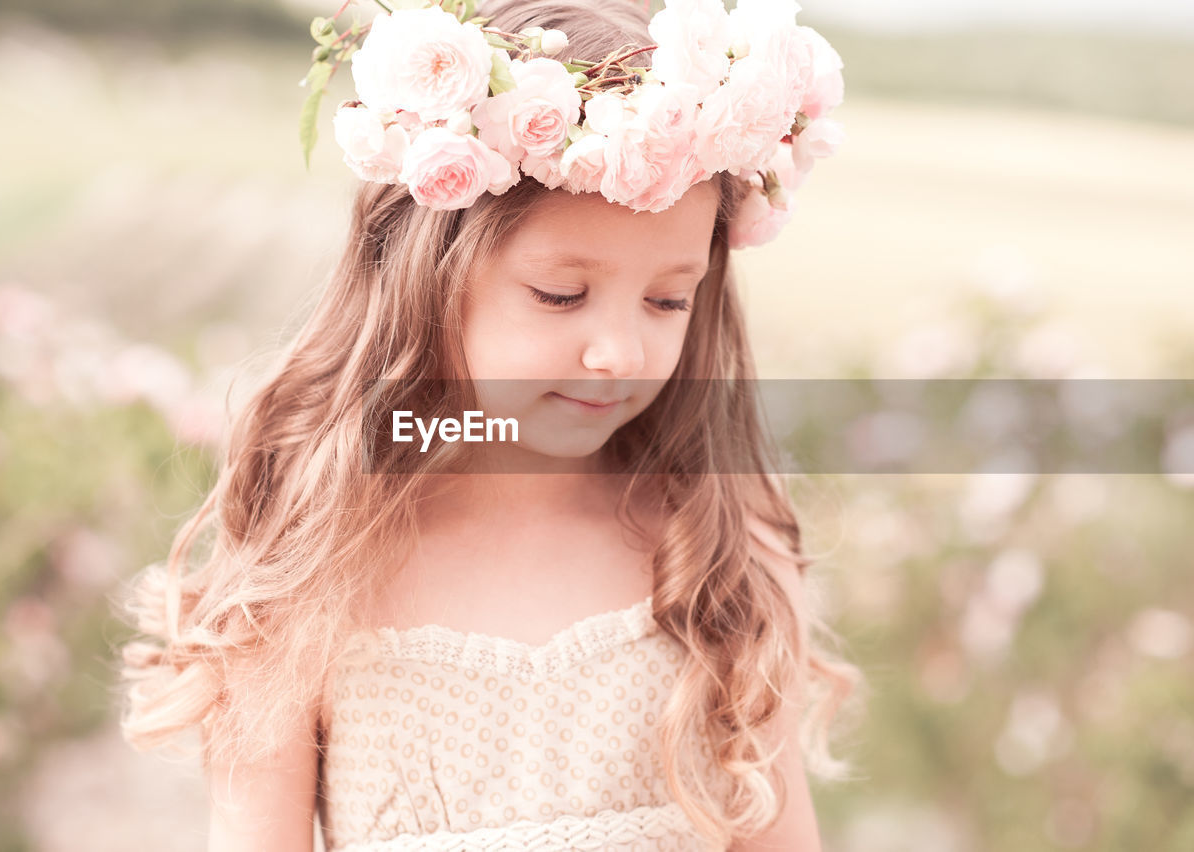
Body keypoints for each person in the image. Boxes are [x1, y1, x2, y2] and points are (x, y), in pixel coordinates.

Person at [114, 0, 862, 849]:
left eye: (666, 300)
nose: (618, 352)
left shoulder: (721, 550)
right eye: (561, 295)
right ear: (430, 276)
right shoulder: (315, 560)